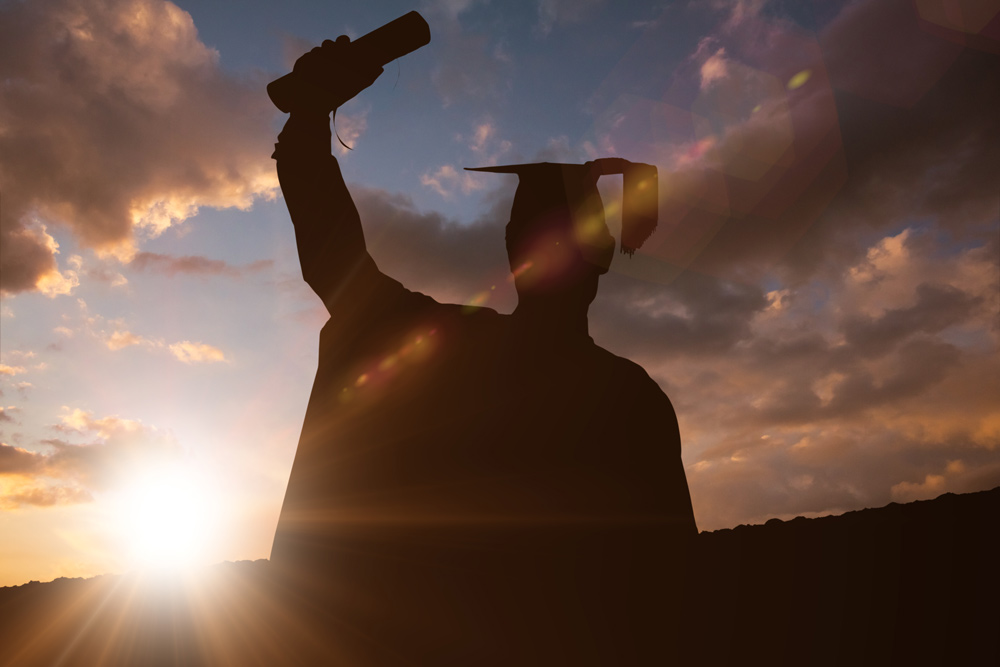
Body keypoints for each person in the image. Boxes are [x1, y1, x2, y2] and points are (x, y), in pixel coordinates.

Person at [269, 37, 697, 666]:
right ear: (602, 261)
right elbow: (670, 591)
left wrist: (308, 118)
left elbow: (332, 253)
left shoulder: (449, 350)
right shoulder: (633, 397)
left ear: (513, 252)